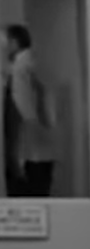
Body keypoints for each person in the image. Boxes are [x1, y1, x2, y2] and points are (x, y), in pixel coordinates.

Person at [2, 24, 56, 197]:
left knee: (27, 195)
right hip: (37, 148)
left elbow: (23, 109)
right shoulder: (29, 64)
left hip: (28, 150)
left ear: (14, 42)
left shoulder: (22, 68)